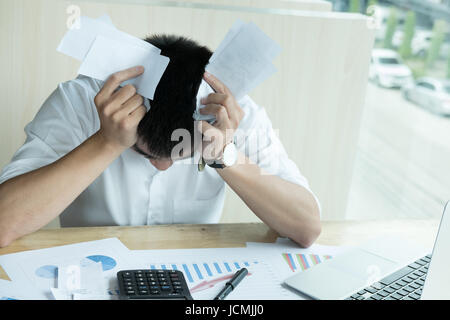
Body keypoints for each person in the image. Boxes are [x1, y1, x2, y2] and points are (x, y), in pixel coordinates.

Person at [0, 35, 321, 248]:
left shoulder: (234, 113)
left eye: (181, 155)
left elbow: (306, 226)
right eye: (143, 151)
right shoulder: (80, 102)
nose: (162, 165)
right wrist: (106, 143)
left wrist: (226, 155)